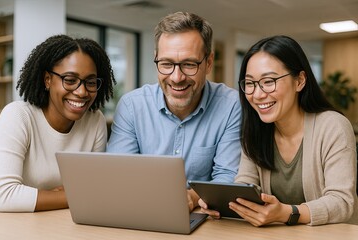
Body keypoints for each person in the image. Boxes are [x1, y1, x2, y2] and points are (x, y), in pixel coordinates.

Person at [199, 35, 358, 226]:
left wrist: (287, 213)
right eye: (250, 83)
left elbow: (342, 202)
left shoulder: (333, 126)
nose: (257, 94)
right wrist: (227, 202)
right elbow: (246, 182)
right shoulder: (255, 129)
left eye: (268, 81)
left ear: (299, 81)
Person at [106, 11, 242, 211]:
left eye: (189, 64)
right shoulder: (131, 106)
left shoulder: (231, 105)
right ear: (156, 59)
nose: (176, 77)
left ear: (209, 62)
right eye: (167, 64)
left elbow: (228, 177)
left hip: (203, 219)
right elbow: (119, 175)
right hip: (141, 211)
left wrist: (191, 198)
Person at [0, 35, 116, 212]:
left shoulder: (94, 120)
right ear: (47, 80)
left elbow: (94, 189)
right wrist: (70, 195)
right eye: (70, 80)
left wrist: (39, 195)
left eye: (90, 82)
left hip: (64, 225)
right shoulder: (18, 116)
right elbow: (3, 196)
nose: (82, 91)